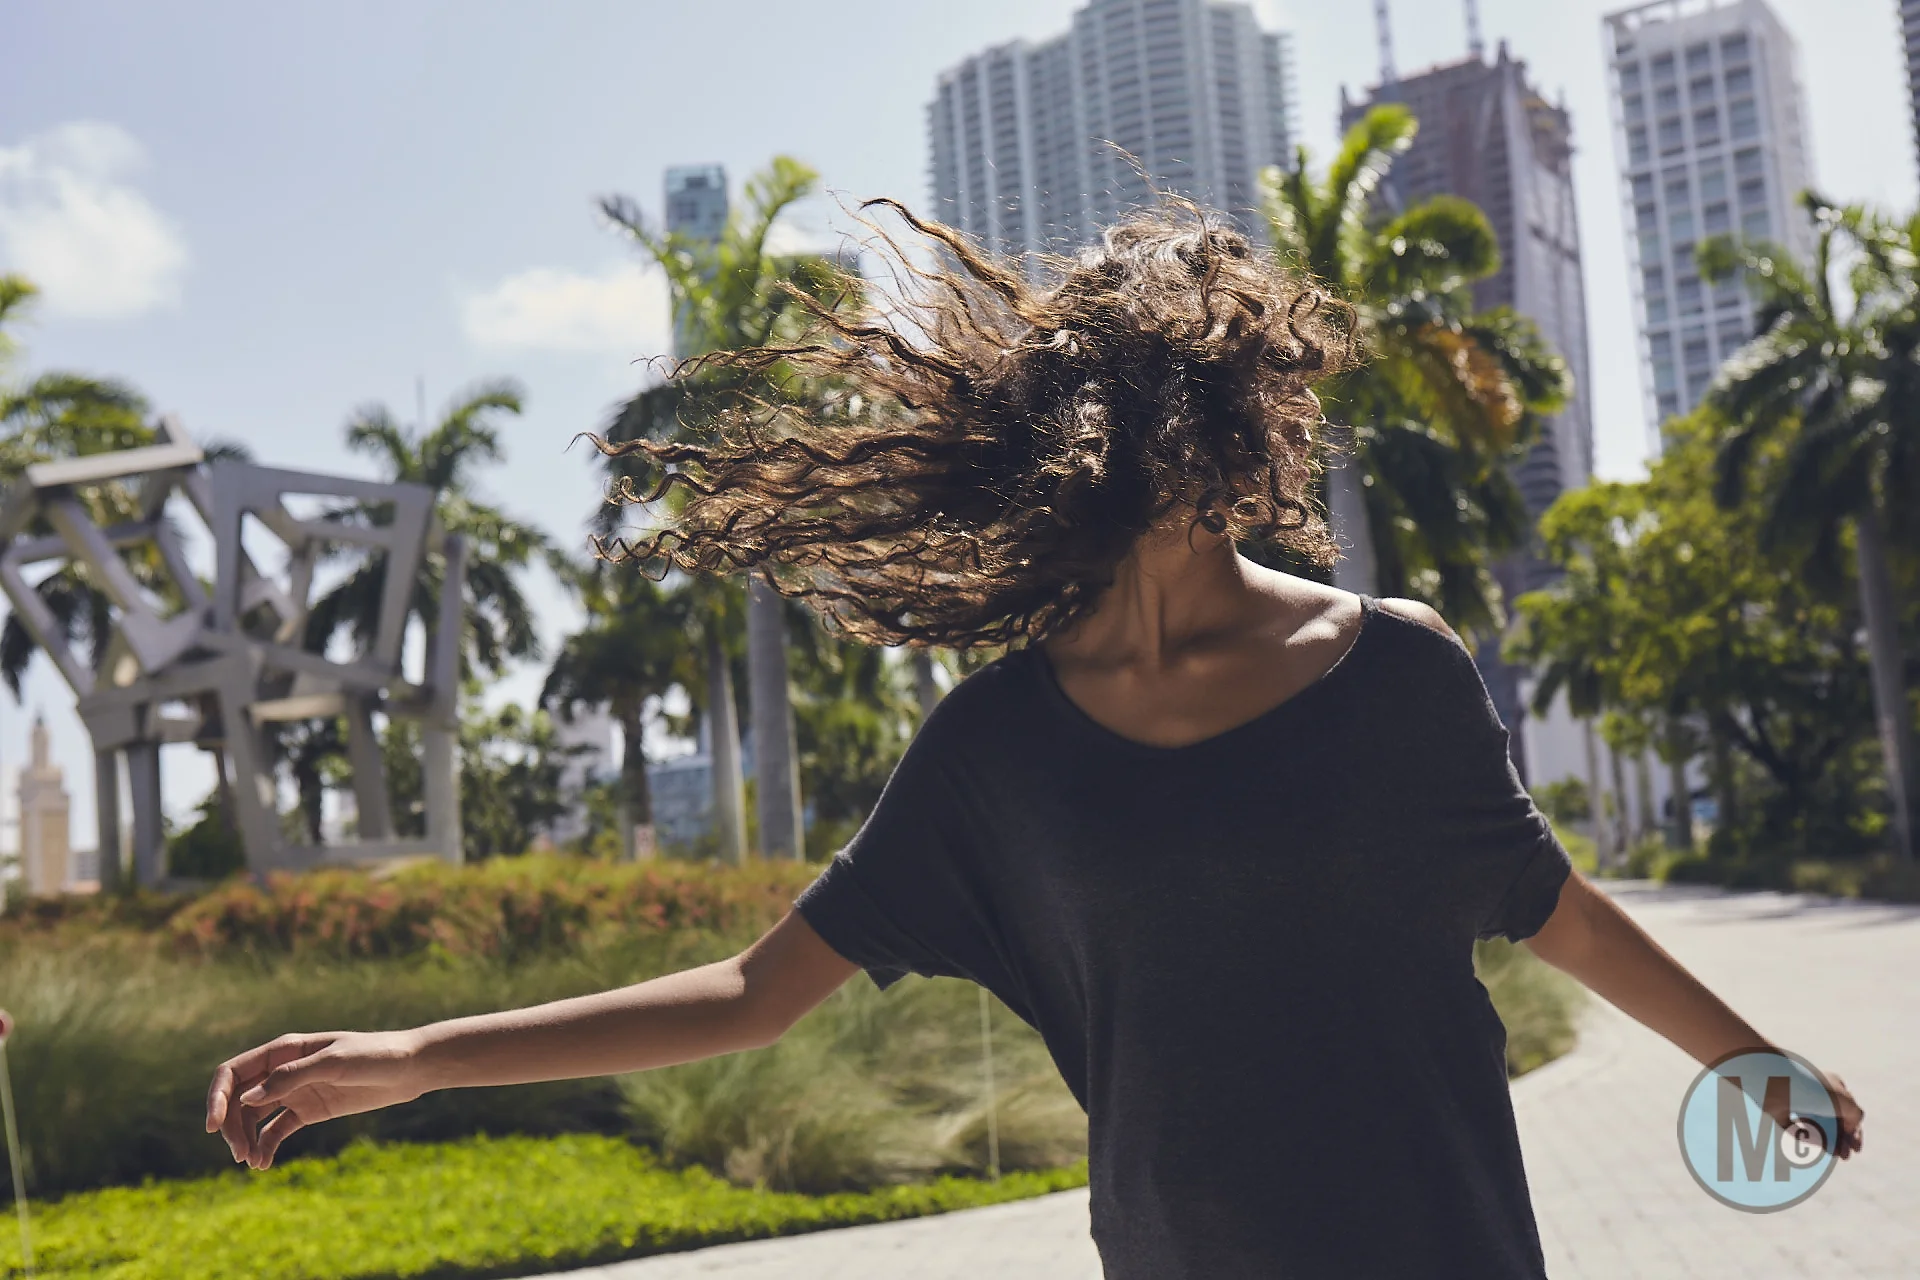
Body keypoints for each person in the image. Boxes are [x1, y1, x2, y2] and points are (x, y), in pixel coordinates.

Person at [206, 201, 1864, 1278]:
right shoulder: (996, 751)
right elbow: (751, 996)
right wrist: (416, 1058)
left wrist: (1752, 1061)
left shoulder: (1396, 671)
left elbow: (1554, 906)